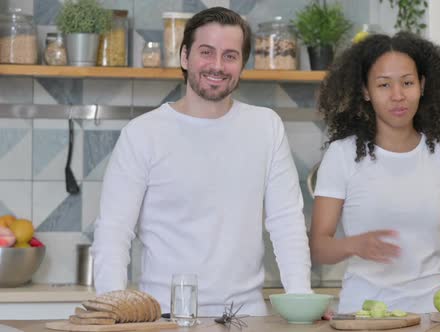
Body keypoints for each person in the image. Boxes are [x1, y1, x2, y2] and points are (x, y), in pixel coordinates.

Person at [91, 7, 312, 316]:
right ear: (185, 57)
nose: (217, 66)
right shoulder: (143, 133)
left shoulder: (266, 127)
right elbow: (114, 231)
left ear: (242, 64)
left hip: (245, 317)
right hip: (165, 318)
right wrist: (111, 311)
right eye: (206, 52)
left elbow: (286, 222)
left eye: (230, 56)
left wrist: (302, 300)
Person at [310, 32, 440, 314]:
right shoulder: (342, 155)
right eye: (384, 85)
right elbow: (318, 247)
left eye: (407, 83)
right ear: (365, 91)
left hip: (433, 314)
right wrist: (353, 244)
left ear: (422, 85)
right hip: (363, 316)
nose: (398, 95)